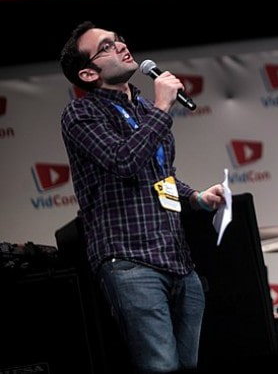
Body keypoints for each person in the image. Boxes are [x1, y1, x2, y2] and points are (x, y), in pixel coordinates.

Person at [59, 21, 226, 374]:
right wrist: (164, 108)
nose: (120, 46)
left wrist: (196, 197)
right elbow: (124, 162)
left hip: (178, 260)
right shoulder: (81, 114)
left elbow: (158, 178)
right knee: (160, 364)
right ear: (89, 74)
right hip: (131, 261)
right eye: (106, 46)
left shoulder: (148, 111)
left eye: (118, 40)